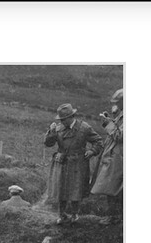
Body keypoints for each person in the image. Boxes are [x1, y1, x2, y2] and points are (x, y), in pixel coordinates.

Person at [44, 103, 104, 225]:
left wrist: (92, 151)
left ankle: (75, 215)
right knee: (62, 190)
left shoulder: (84, 128)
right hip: (63, 163)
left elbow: (98, 141)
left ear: (71, 117)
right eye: (60, 119)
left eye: (64, 119)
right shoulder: (59, 128)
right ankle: (62, 215)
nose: (62, 122)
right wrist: (51, 132)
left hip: (78, 163)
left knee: (76, 189)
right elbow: (48, 143)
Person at [90, 88, 124, 225]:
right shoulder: (122, 114)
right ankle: (115, 216)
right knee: (112, 186)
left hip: (118, 157)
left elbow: (120, 136)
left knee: (113, 186)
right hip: (114, 155)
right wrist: (111, 121)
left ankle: (115, 217)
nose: (116, 105)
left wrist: (107, 124)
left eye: (118, 102)